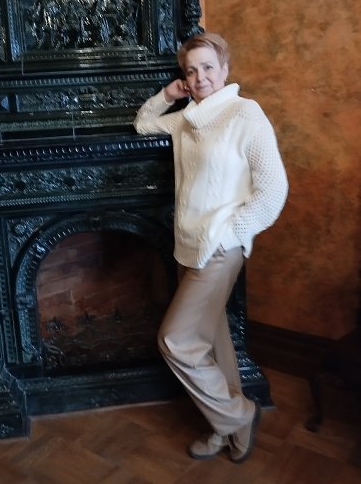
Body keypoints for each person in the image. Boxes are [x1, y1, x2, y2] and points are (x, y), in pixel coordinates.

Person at [133, 32, 288, 463]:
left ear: (224, 69)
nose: (199, 77)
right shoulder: (186, 118)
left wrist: (229, 234)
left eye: (207, 67)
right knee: (213, 340)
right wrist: (168, 95)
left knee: (176, 341)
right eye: (190, 71)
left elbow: (273, 191)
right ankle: (226, 428)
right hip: (186, 245)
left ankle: (239, 414)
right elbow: (143, 123)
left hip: (220, 248)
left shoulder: (245, 114)